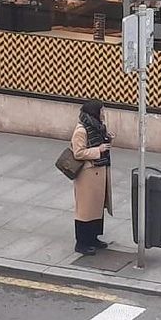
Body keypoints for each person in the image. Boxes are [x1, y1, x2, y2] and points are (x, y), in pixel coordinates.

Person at [70, 100, 113, 255]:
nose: (103, 113)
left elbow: (102, 144)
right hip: (87, 174)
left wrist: (107, 139)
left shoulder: (98, 126)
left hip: (99, 170)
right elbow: (78, 153)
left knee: (96, 208)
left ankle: (93, 238)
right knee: (85, 210)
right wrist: (98, 149)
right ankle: (82, 242)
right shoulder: (81, 130)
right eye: (102, 111)